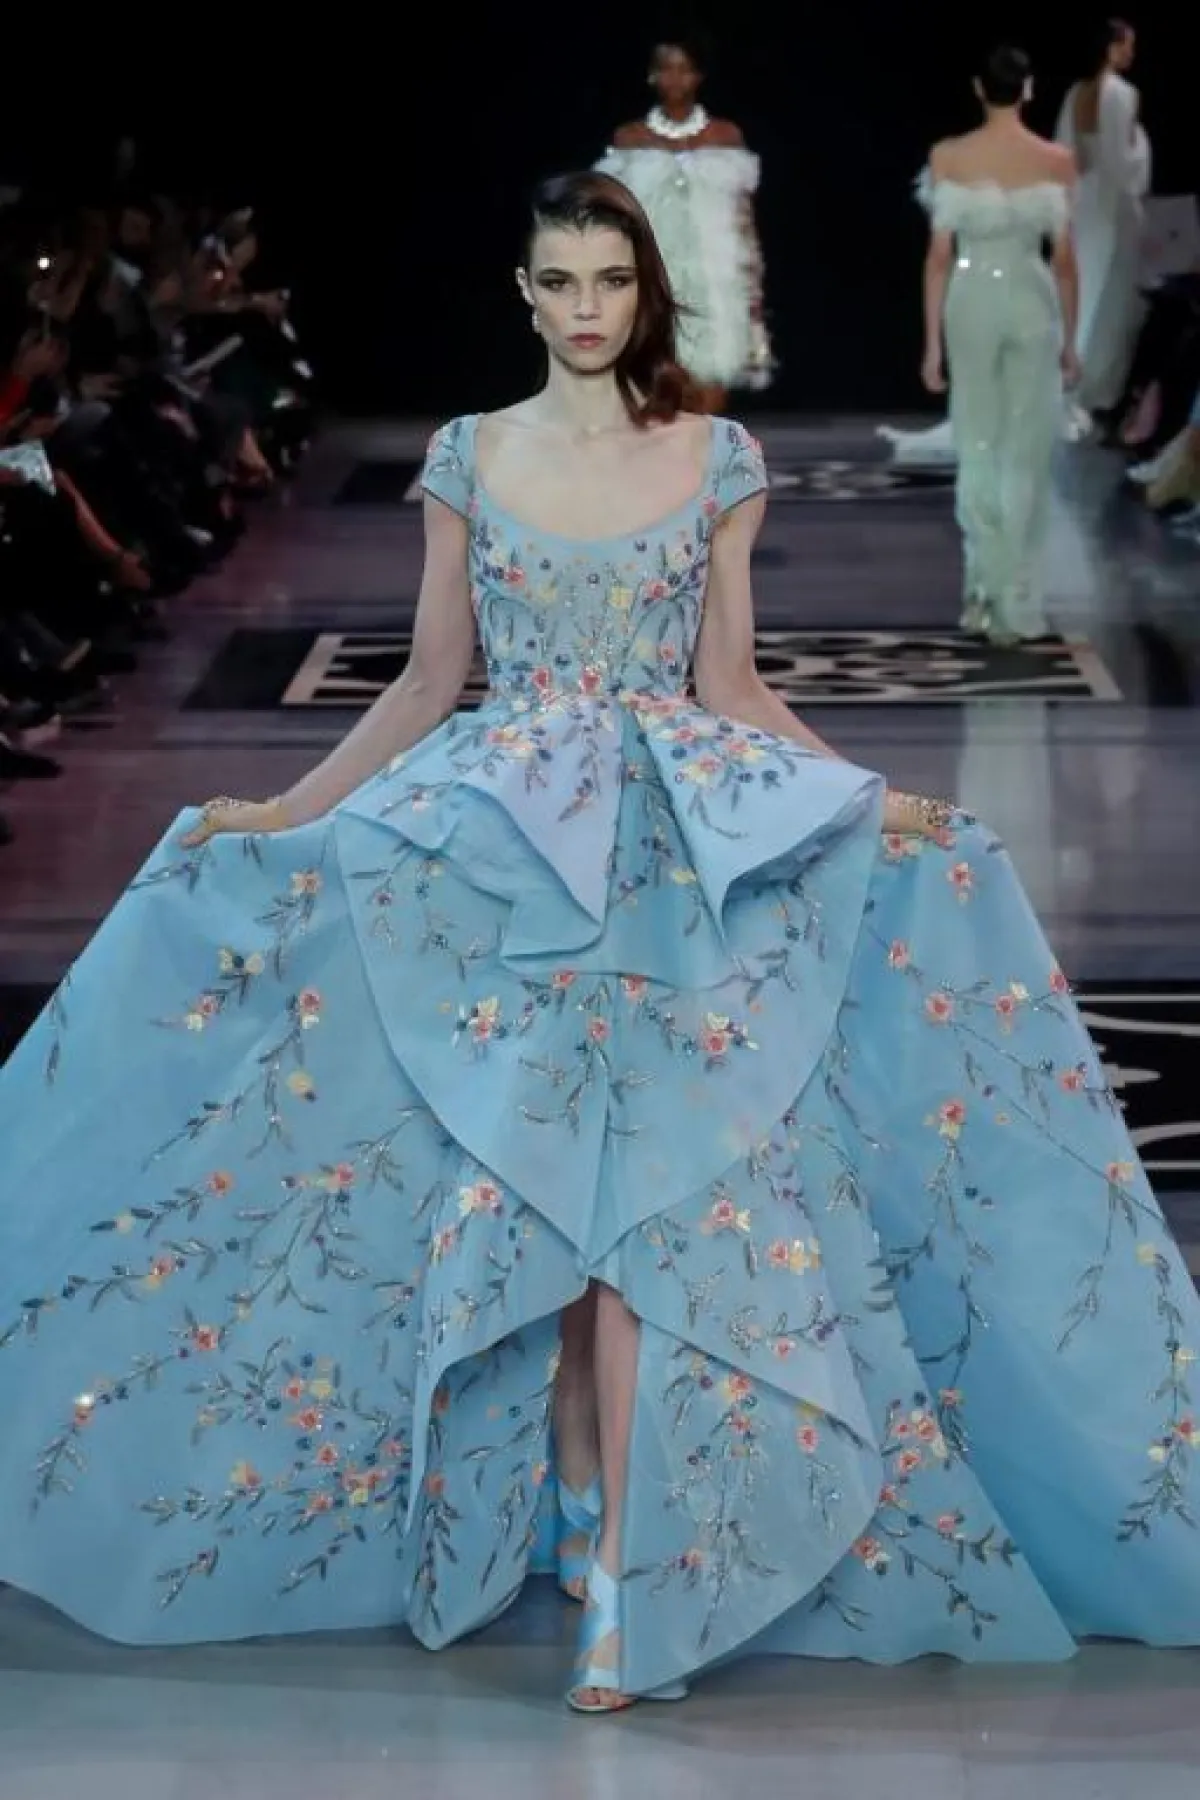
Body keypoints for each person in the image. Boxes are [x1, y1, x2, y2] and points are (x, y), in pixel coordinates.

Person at [1, 168, 1199, 1716]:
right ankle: (582, 1508)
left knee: (635, 1221)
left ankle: (629, 1581)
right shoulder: (467, 455)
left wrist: (874, 799)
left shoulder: (717, 459)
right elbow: (429, 679)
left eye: (610, 282)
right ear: (523, 290)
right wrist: (291, 810)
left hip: (670, 863)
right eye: (559, 281)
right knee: (543, 1207)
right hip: (498, 860)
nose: (585, 308)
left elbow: (732, 685)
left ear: (646, 293)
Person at [920, 45, 1080, 643]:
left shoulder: (949, 156)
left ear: (978, 89)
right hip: (1031, 297)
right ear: (1029, 89)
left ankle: (984, 593)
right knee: (1026, 445)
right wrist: (1071, 343)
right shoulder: (1056, 160)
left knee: (977, 438)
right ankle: (1017, 594)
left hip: (972, 299)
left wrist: (931, 345)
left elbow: (938, 258)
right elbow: (1065, 262)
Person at [596, 36, 771, 407]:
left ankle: (706, 446)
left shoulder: (725, 135)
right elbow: (613, 221)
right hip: (653, 278)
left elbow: (744, 221)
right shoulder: (630, 138)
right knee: (654, 389)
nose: (675, 79)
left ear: (699, 76)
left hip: (716, 284)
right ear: (651, 75)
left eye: (684, 69)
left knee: (711, 387)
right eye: (666, 69)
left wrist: (753, 287)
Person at [1054, 18, 1150, 427]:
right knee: (1109, 293)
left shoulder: (1076, 93)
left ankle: (1067, 374)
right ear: (1111, 47)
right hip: (1113, 204)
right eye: (1127, 45)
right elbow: (1122, 162)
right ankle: (1091, 387)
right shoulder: (1123, 94)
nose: (1132, 52)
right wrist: (1141, 146)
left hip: (1084, 202)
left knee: (1083, 284)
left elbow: (1067, 154)